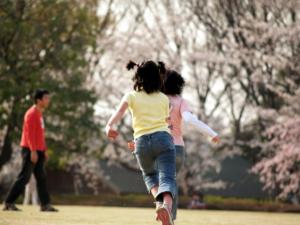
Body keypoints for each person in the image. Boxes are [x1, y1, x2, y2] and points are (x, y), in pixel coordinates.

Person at [128, 69, 220, 220]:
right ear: (179, 85)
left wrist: (137, 142)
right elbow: (190, 120)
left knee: (157, 181)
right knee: (170, 182)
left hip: (155, 145)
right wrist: (211, 133)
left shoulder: (157, 99)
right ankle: (170, 216)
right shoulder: (181, 101)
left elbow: (143, 122)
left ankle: (163, 210)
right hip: (177, 148)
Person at [106, 60, 175, 225]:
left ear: (138, 77)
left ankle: (159, 204)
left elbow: (119, 112)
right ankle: (166, 206)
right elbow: (167, 122)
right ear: (158, 77)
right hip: (163, 139)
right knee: (167, 177)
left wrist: (109, 126)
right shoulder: (164, 99)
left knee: (150, 176)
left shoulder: (131, 96)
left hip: (141, 142)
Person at [3, 89, 58, 212]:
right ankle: (8, 202)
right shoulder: (31, 113)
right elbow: (29, 134)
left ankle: (45, 205)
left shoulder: (39, 114)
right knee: (24, 177)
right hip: (30, 150)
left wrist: (44, 150)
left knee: (41, 177)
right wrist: (33, 151)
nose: (48, 101)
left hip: (38, 150)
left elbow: (40, 134)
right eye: (46, 98)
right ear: (39, 100)